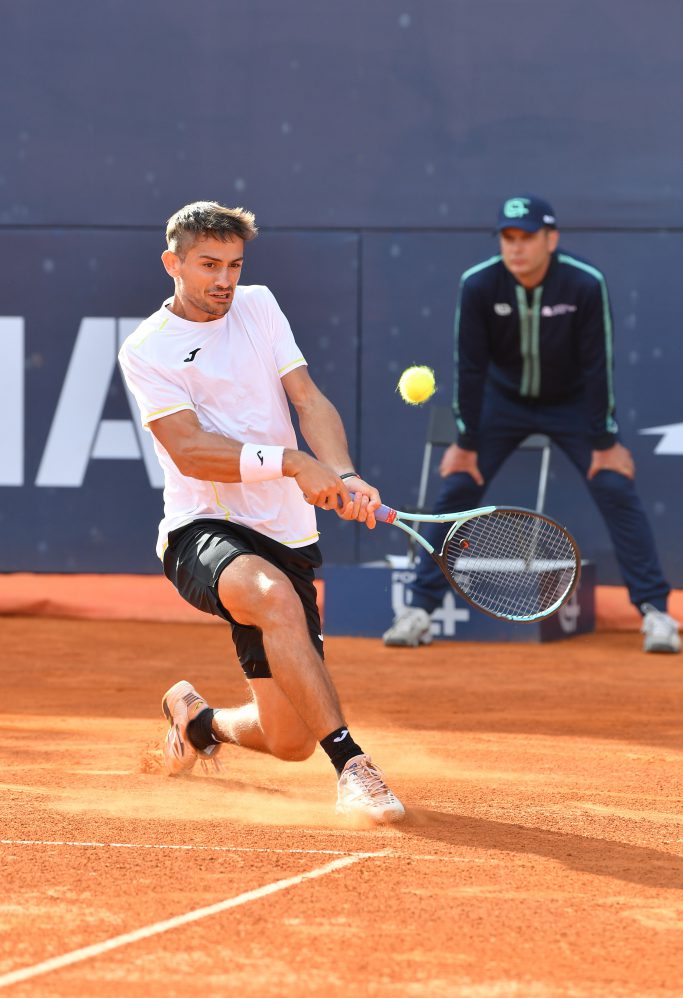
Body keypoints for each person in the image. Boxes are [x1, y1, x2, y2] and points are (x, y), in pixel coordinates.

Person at [118, 200, 405, 823]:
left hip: (288, 532)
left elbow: (307, 397)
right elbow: (190, 450)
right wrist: (296, 464)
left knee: (289, 739)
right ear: (173, 263)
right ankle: (355, 767)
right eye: (208, 265)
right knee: (270, 596)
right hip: (203, 528)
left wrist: (345, 473)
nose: (224, 281)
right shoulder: (148, 349)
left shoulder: (260, 305)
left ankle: (199, 722)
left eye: (234, 265)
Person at [383, 194, 680, 655]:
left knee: (615, 485)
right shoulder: (478, 284)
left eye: (527, 238)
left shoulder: (585, 283)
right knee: (458, 486)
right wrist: (467, 441)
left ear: (551, 239)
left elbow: (598, 366)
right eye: (508, 237)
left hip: (574, 405)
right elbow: (471, 368)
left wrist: (604, 441)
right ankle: (420, 610)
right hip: (503, 404)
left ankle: (656, 613)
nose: (516, 247)